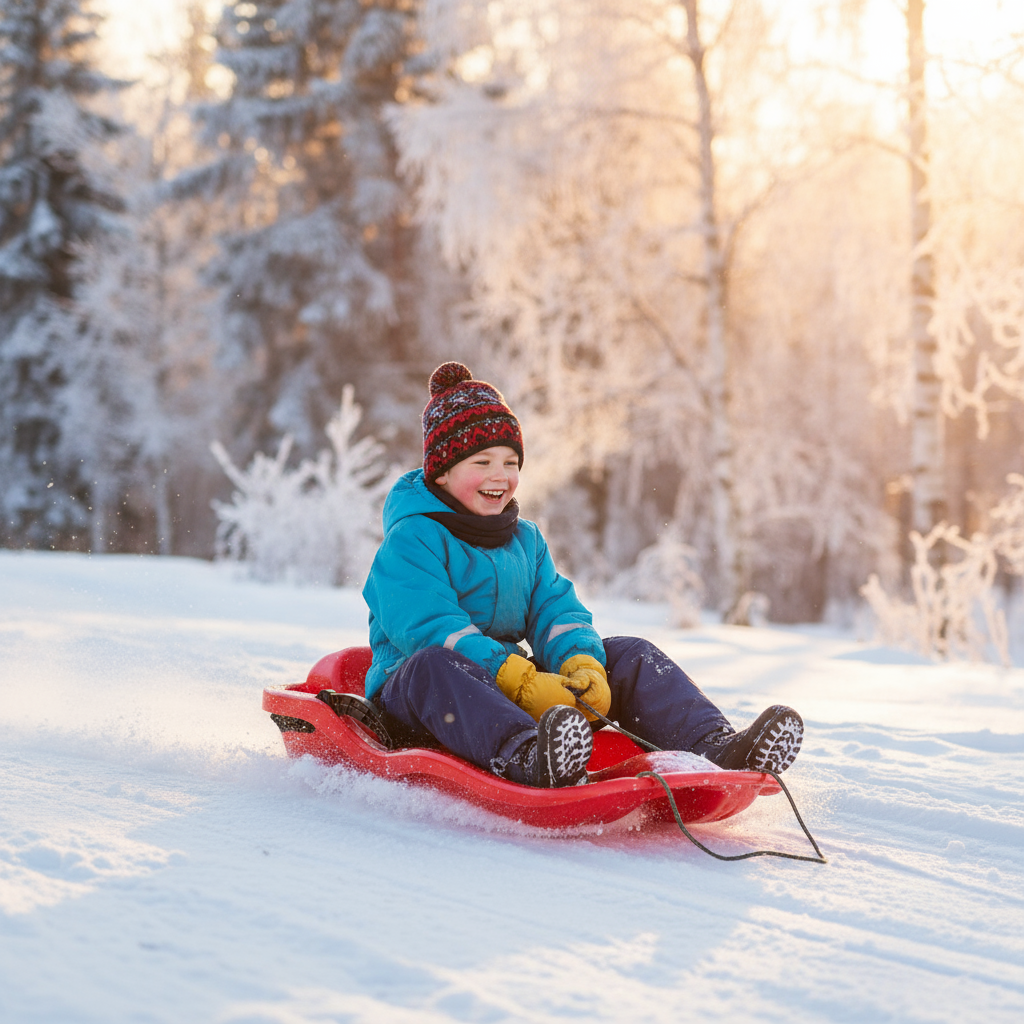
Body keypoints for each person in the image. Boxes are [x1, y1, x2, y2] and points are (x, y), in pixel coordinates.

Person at [362, 362, 803, 788]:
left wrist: (580, 662)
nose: (501, 476)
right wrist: (513, 678)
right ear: (441, 473)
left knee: (629, 655)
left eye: (511, 462)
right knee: (436, 666)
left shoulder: (525, 541)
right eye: (482, 463)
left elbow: (556, 609)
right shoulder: (412, 539)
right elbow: (430, 628)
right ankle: (528, 756)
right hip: (420, 699)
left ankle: (716, 747)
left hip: (508, 688)